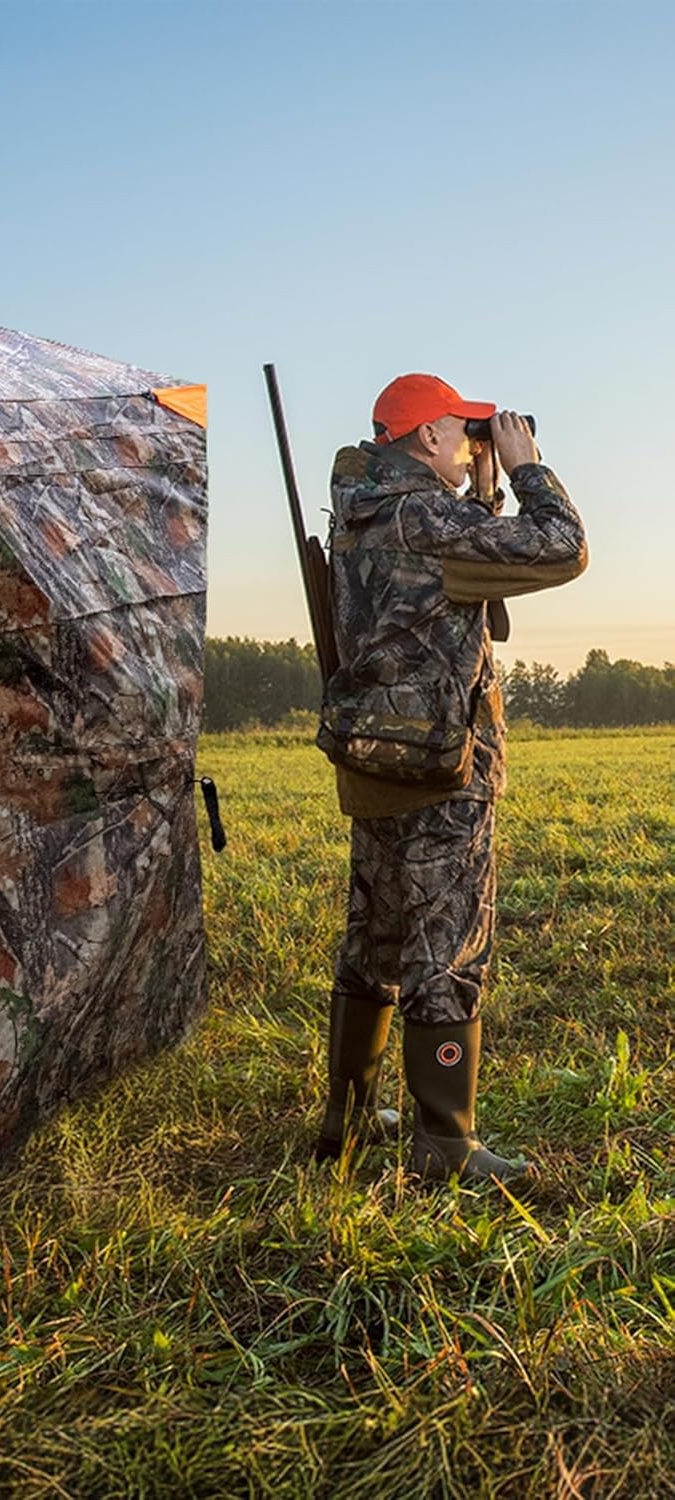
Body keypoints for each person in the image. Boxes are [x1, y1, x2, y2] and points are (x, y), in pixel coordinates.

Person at [314, 373, 587, 1181]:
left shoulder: (361, 513)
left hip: (375, 758)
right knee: (448, 948)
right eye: (464, 433)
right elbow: (563, 547)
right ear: (427, 435)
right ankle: (444, 1143)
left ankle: (347, 1116)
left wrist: (485, 495)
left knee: (376, 935)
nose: (473, 447)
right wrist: (527, 468)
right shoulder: (433, 519)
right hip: (442, 768)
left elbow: (462, 576)